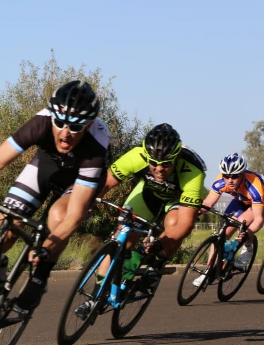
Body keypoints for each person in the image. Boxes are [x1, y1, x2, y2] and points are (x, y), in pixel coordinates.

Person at [0, 80, 110, 345]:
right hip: (47, 165)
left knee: (58, 216)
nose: (65, 133)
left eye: (75, 127)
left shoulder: (95, 146)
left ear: (87, 125)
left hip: (80, 177)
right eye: (60, 123)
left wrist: (47, 248)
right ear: (51, 116)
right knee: (1, 234)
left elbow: (75, 216)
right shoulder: (40, 123)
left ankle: (39, 280)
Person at [76, 123, 207, 318]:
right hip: (149, 194)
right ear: (146, 156)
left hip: (177, 199)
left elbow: (185, 224)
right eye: (154, 163)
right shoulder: (136, 156)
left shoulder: (193, 173)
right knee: (123, 234)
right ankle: (96, 297)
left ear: (177, 158)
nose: (160, 169)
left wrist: (159, 245)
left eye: (166, 163)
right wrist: (86, 204)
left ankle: (156, 265)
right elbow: (107, 182)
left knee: (172, 225)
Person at [194, 153, 264, 286]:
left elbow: (259, 219)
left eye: (234, 176)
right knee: (222, 233)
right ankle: (208, 271)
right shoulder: (220, 181)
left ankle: (248, 249)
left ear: (242, 174)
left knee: (243, 222)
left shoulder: (254, 186)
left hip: (259, 203)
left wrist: (248, 233)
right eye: (226, 176)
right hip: (241, 200)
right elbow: (208, 203)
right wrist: (196, 213)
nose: (230, 180)